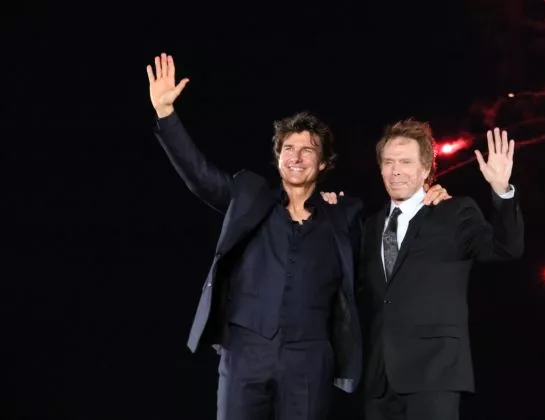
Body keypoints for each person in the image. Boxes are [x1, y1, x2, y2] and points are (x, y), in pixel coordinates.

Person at [145, 53, 450, 420]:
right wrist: (166, 113)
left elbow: (390, 237)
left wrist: (425, 197)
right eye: (288, 148)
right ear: (278, 158)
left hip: (309, 361)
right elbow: (200, 176)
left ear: (323, 163)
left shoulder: (343, 214)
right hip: (245, 354)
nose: (296, 156)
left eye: (308, 150)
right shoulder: (248, 195)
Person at [357, 119, 524, 420]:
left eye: (406, 162)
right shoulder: (370, 226)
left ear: (426, 169)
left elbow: (505, 249)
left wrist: (502, 190)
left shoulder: (453, 212)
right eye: (388, 162)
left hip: (434, 374)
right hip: (379, 380)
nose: (395, 171)